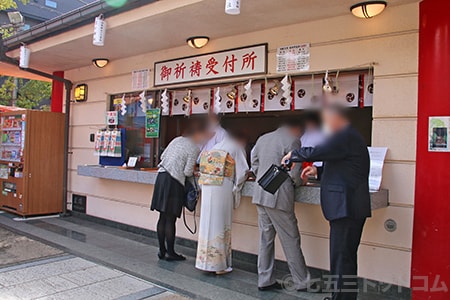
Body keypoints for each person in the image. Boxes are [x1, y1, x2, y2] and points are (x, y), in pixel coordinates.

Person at [282, 105, 371, 300]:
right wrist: (318, 172)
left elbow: (321, 151)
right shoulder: (347, 138)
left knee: (342, 259)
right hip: (347, 206)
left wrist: (294, 154)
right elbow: (344, 168)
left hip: (347, 207)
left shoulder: (345, 135)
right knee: (343, 258)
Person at [251, 119, 312, 292]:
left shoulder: (263, 138)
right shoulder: (293, 140)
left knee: (266, 239)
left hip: (261, 193)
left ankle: (265, 279)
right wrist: (300, 181)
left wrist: (263, 176)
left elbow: (254, 164)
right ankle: (302, 281)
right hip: (278, 196)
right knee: (291, 239)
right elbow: (294, 172)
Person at [195, 132, 249, 275]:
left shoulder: (215, 147)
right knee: (220, 223)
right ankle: (219, 265)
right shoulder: (236, 146)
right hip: (222, 186)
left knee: (207, 222)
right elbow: (243, 171)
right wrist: (237, 188)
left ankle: (203, 262)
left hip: (207, 186)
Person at [151, 124, 206, 261]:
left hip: (161, 177)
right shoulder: (194, 147)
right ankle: (171, 252)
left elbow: (163, 156)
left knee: (162, 217)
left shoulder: (175, 140)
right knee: (171, 219)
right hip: (174, 182)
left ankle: (162, 250)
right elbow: (187, 172)